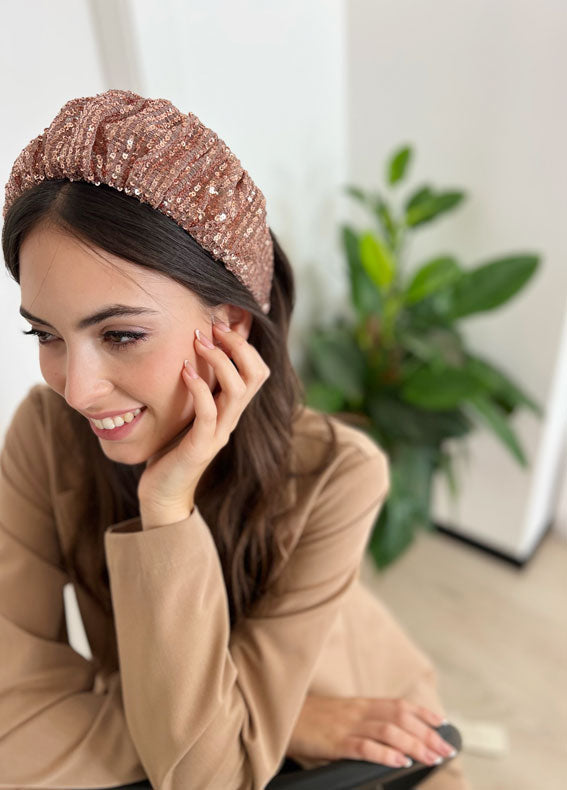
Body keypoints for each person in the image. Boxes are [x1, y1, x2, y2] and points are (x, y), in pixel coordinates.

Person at [0, 90, 468, 789]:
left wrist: (165, 509)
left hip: (360, 754)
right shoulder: (46, 436)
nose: (77, 390)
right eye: (47, 335)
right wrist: (265, 718)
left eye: (120, 335)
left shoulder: (338, 474)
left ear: (232, 326)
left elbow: (203, 778)